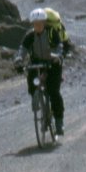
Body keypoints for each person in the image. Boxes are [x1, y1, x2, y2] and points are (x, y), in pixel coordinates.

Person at [14, 7, 66, 135]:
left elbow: (59, 47)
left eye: (40, 23)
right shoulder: (30, 36)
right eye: (35, 24)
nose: (37, 26)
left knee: (54, 92)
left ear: (44, 23)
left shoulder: (52, 33)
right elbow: (23, 49)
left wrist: (57, 56)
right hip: (37, 64)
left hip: (52, 64)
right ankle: (36, 98)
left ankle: (59, 123)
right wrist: (19, 59)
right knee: (32, 83)